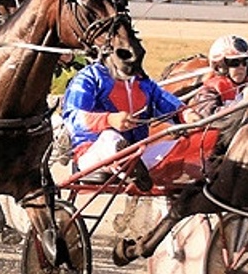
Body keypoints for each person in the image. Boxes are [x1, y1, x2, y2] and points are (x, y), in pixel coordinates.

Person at [61, 51, 183, 190]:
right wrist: (109, 119)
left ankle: (134, 168)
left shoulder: (142, 81)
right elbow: (73, 116)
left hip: (139, 152)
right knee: (110, 137)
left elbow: (166, 102)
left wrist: (186, 113)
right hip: (94, 155)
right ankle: (128, 164)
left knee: (180, 146)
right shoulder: (89, 77)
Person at [183, 34, 248, 122]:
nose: (241, 67)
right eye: (234, 62)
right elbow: (209, 115)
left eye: (245, 62)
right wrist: (243, 103)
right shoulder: (209, 90)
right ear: (220, 66)